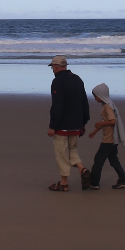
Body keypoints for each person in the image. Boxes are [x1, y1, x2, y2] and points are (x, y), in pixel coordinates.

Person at [46, 55, 91, 192]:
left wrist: (52, 126)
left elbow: (57, 105)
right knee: (72, 150)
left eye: (53, 67)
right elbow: (84, 102)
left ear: (56, 67)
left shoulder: (57, 81)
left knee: (61, 153)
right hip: (76, 123)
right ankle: (82, 169)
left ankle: (64, 183)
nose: (52, 69)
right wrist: (84, 122)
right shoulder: (77, 79)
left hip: (62, 125)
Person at [86, 83, 125, 190]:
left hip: (109, 139)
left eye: (95, 96)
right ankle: (123, 179)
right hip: (111, 138)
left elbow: (112, 121)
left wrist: (100, 124)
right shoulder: (109, 104)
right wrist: (95, 131)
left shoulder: (107, 107)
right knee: (113, 159)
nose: (95, 98)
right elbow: (107, 121)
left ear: (101, 95)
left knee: (98, 159)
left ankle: (94, 182)